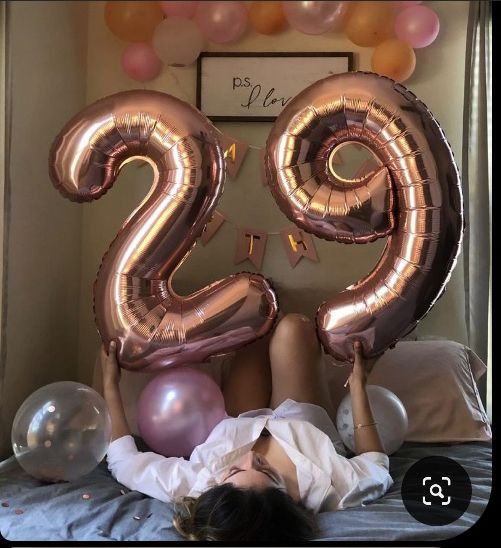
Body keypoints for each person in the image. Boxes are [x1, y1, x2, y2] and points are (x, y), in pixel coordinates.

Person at [102, 313, 393, 542]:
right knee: (294, 328)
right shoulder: (335, 489)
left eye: (235, 471)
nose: (251, 460)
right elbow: (376, 463)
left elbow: (124, 462)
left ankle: (267, 303)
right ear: (291, 501)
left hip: (240, 421)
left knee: (255, 329)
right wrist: (358, 387)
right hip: (302, 418)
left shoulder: (199, 486)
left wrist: (110, 386)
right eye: (268, 473)